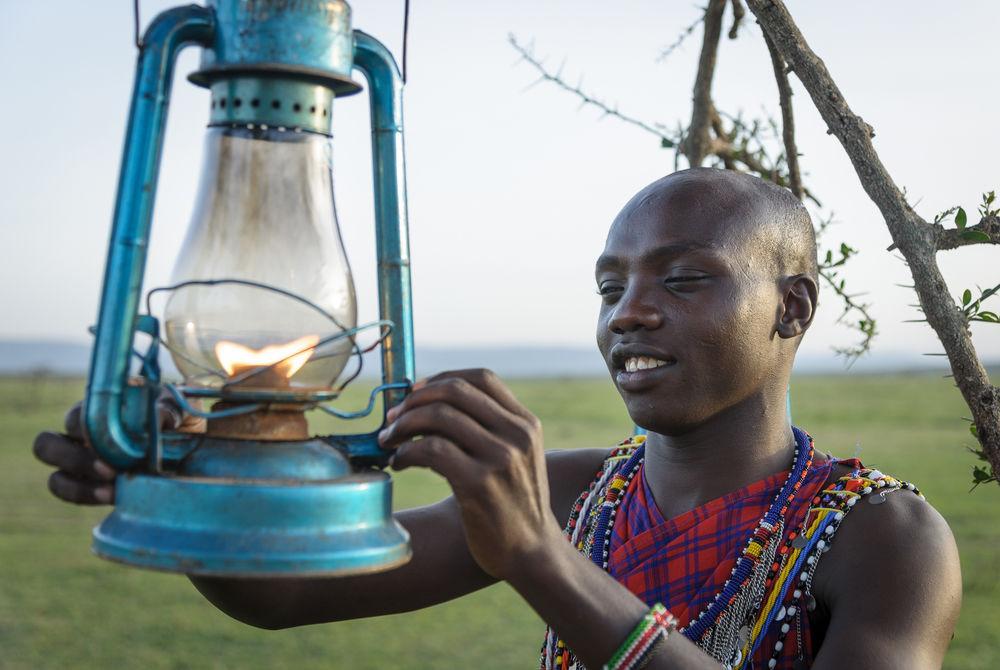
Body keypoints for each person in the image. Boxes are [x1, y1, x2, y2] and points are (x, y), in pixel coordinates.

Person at [34, 168, 961, 669]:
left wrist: (538, 559)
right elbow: (283, 599)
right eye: (610, 288)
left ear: (791, 309)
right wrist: (189, 485)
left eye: (681, 280)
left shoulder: (885, 538)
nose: (627, 312)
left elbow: (534, 554)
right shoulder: (575, 491)